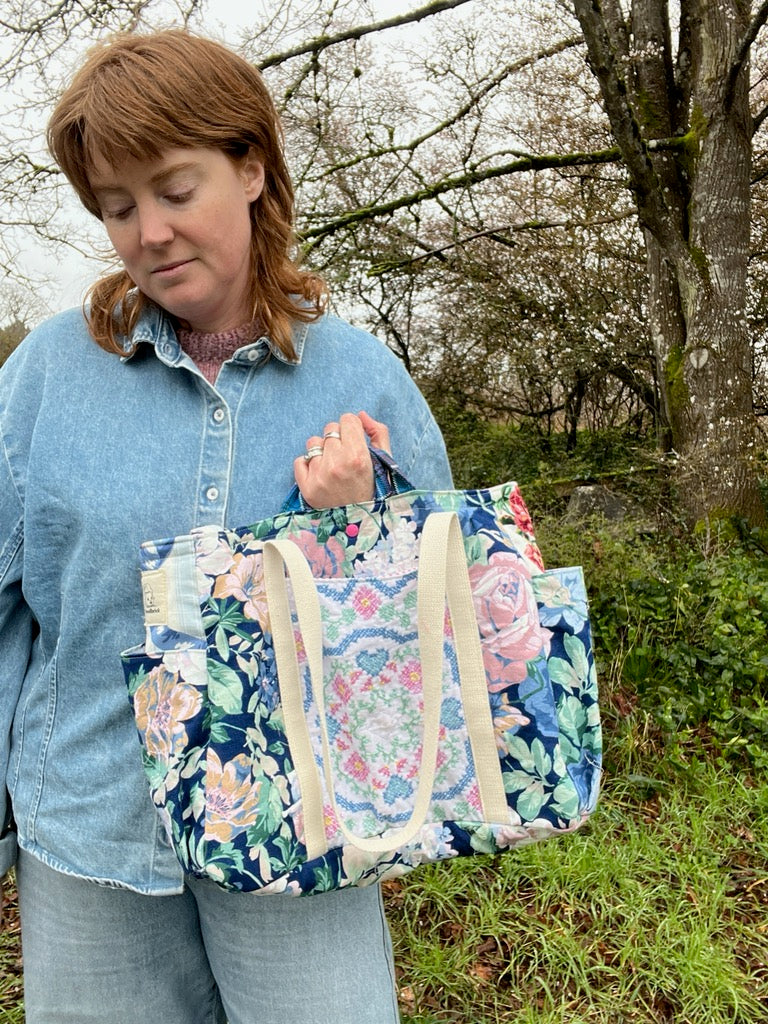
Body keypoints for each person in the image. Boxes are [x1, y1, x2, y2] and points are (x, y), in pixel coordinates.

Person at [0, 29, 452, 1024]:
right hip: (89, 839)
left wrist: (357, 529)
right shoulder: (45, 378)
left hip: (305, 835)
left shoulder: (362, 378)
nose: (150, 232)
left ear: (251, 168)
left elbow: (435, 626)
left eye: (174, 189)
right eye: (118, 206)